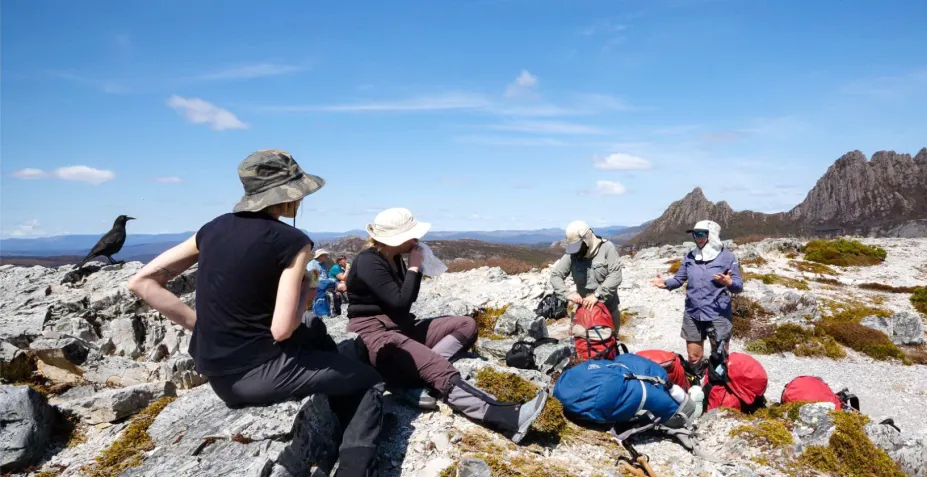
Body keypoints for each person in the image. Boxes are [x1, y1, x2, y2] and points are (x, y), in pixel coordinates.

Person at [126, 149, 385, 477]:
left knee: (313, 326)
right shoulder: (292, 241)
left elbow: (142, 281)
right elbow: (281, 330)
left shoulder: (211, 229)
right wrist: (309, 286)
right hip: (257, 375)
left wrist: (203, 327)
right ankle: (354, 468)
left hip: (215, 371)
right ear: (288, 196)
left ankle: (334, 398)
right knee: (370, 382)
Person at [344, 207, 547, 444]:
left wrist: (415, 269)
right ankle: (506, 418)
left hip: (401, 327)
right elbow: (399, 302)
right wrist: (414, 267)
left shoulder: (397, 257)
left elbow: (408, 299)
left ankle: (417, 378)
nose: (416, 239)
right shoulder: (369, 260)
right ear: (396, 239)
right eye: (411, 235)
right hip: (377, 335)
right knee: (436, 365)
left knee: (466, 325)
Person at [651, 220, 743, 371]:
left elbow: (738, 287)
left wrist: (729, 282)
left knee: (720, 357)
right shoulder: (690, 256)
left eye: (701, 234)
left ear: (711, 235)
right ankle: (695, 385)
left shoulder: (727, 257)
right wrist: (666, 283)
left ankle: (716, 388)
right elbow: (679, 279)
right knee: (693, 357)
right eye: (695, 234)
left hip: (717, 314)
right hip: (693, 314)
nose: (697, 238)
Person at [548, 220, 624, 330]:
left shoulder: (607, 248)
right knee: (581, 345)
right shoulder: (572, 255)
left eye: (579, 246)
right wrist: (567, 294)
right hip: (583, 311)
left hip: (608, 310)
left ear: (587, 239)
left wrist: (598, 295)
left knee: (609, 344)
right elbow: (556, 275)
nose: (577, 251)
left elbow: (615, 275)